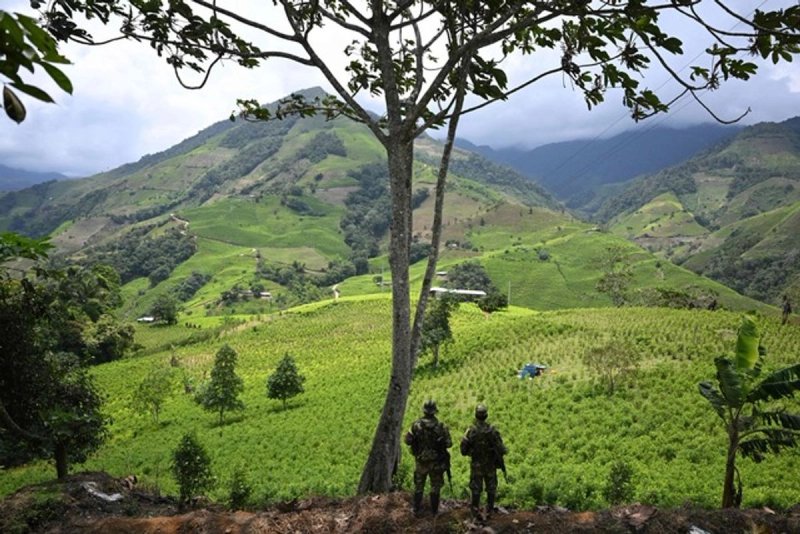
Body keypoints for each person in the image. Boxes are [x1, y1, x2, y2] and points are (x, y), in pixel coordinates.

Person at [404, 399, 452, 516]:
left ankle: (416, 510)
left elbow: (407, 440)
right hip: (436, 462)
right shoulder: (441, 426)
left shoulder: (416, 425)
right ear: (434, 412)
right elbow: (449, 444)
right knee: (435, 487)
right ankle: (435, 512)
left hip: (421, 461)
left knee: (419, 486)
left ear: (424, 411)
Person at [460, 403, 507, 520]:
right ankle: (490, 510)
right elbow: (502, 449)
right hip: (490, 465)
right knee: (491, 488)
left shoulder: (471, 430)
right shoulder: (493, 430)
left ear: (476, 415)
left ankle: (475, 512)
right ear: (486, 416)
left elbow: (463, 450)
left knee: (476, 489)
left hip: (476, 465)